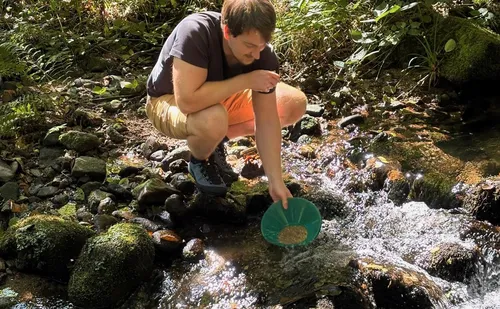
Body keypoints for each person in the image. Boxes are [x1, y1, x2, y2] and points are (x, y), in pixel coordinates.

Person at [145, 0, 307, 209]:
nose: (257, 54)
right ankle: (200, 160)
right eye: (250, 46)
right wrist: (246, 81)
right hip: (167, 101)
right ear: (228, 31)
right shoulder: (195, 32)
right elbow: (187, 101)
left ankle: (215, 141)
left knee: (294, 103)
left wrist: (275, 181)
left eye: (262, 45)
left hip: (219, 100)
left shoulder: (261, 52)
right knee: (213, 118)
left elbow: (266, 119)